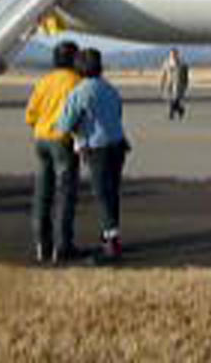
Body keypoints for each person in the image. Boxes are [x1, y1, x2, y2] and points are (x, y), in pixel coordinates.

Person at [57, 48, 129, 263]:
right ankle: (110, 235)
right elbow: (118, 112)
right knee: (112, 193)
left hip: (97, 148)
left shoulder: (79, 92)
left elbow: (65, 124)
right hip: (118, 144)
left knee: (101, 194)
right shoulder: (110, 89)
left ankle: (111, 241)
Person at [25, 40, 81, 264]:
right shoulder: (76, 82)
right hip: (63, 142)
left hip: (41, 140)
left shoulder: (44, 81)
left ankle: (42, 245)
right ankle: (63, 245)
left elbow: (30, 114)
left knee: (42, 194)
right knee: (65, 194)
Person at [160, 47, 189, 120]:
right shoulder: (166, 63)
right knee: (170, 99)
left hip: (179, 84)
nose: (173, 55)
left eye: (174, 54)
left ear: (177, 54)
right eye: (171, 54)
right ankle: (180, 110)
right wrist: (162, 84)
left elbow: (185, 76)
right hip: (169, 83)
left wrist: (185, 85)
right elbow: (164, 74)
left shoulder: (182, 64)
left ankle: (171, 112)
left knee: (176, 99)